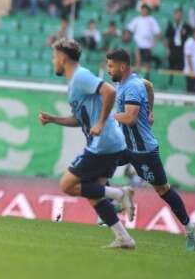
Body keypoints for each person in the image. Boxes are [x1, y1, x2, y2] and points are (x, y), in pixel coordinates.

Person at [38, 39, 135, 249]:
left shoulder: (81, 76)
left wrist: (100, 122)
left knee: (67, 185)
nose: (54, 61)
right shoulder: (74, 83)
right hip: (108, 142)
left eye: (55, 57)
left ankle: (120, 194)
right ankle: (124, 237)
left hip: (103, 143)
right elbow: (79, 120)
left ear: (63, 58)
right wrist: (54, 119)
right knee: (93, 194)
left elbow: (109, 91)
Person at [106, 48, 195, 250]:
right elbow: (150, 85)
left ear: (123, 66)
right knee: (99, 160)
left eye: (111, 66)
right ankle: (115, 201)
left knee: (162, 189)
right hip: (126, 146)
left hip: (144, 151)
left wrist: (108, 116)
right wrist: (151, 110)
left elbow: (130, 119)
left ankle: (189, 227)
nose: (108, 70)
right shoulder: (125, 82)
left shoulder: (133, 87)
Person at [127, 4, 161, 69]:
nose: (144, 11)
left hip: (147, 46)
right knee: (136, 63)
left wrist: (155, 43)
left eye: (145, 10)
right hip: (137, 45)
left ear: (148, 11)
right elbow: (129, 30)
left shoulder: (151, 20)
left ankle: (146, 76)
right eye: (143, 10)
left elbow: (158, 32)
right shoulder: (136, 19)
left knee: (147, 63)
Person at [183, 28, 195, 93]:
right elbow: (188, 57)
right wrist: (191, 70)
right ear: (194, 33)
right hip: (191, 73)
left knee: (194, 91)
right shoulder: (190, 42)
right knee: (190, 91)